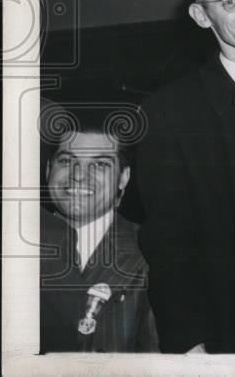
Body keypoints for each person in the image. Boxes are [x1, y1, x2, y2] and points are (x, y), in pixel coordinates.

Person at [134, 0, 235, 353]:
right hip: (230, 327)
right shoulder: (168, 111)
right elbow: (168, 239)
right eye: (231, 0)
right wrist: (190, 341)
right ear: (201, 16)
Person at [40, 119, 158, 353]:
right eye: (66, 161)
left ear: (123, 178)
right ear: (47, 170)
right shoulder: (14, 243)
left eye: (100, 164)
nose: (79, 176)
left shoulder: (151, 254)